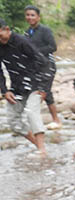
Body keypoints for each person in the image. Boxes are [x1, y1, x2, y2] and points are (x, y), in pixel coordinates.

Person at [0, 17, 47, 156]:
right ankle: (39, 146)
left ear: (6, 30)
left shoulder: (21, 42)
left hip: (35, 84)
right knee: (13, 120)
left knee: (32, 113)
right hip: (16, 87)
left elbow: (42, 62)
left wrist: (44, 87)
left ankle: (42, 150)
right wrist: (5, 91)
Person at [24, 5, 60, 129]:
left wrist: (35, 52)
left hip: (47, 66)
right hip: (35, 68)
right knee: (39, 92)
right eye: (27, 15)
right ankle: (52, 120)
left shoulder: (45, 30)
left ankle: (46, 121)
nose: (30, 17)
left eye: (32, 15)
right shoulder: (27, 32)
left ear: (38, 17)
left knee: (44, 92)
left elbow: (53, 47)